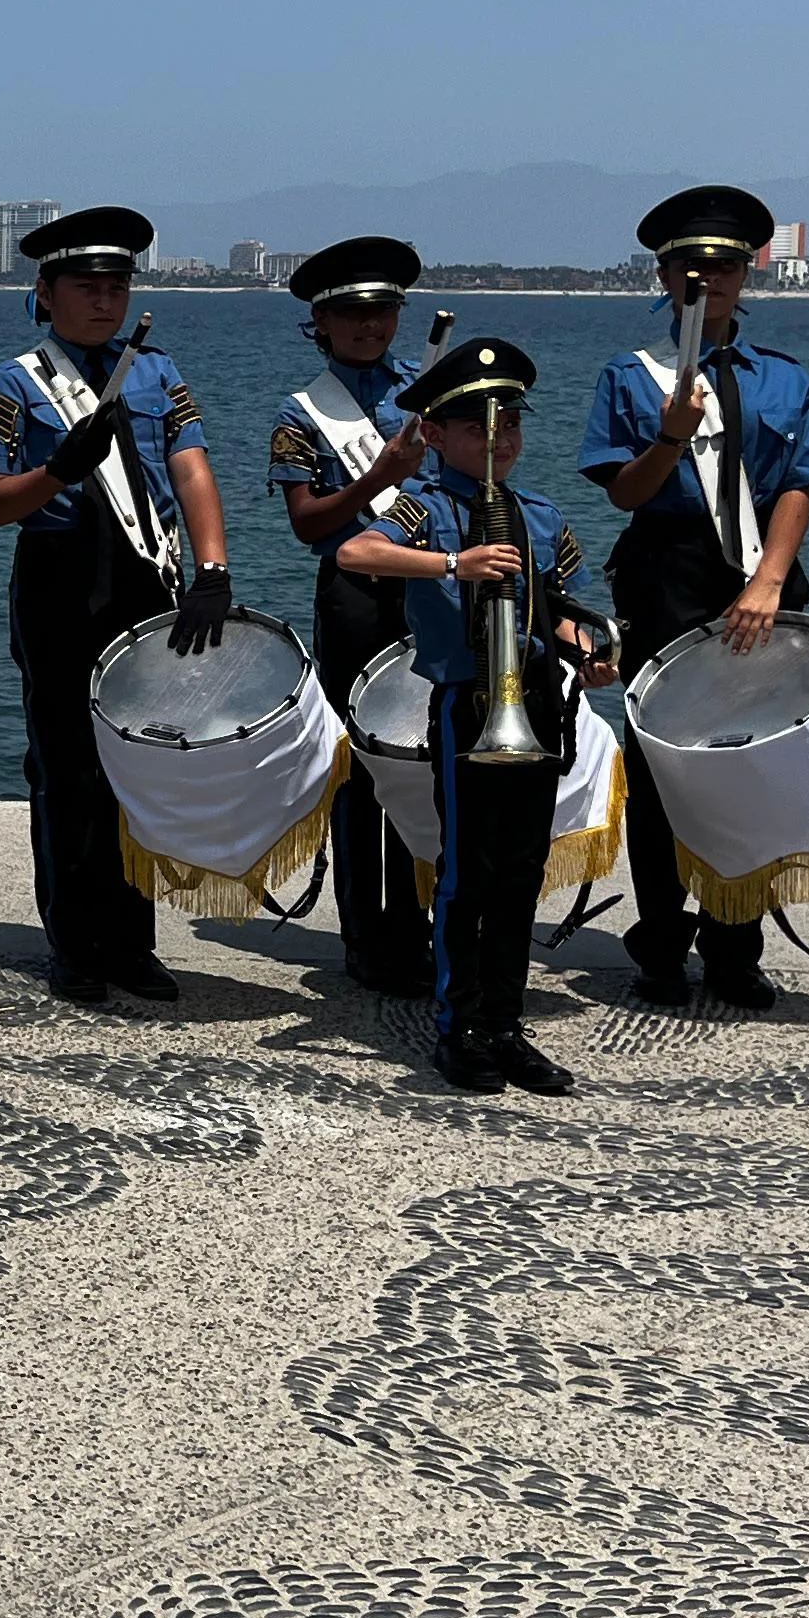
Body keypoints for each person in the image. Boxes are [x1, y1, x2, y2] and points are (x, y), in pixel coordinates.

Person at [578, 182, 809, 1013]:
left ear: (746, 274)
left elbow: (801, 483)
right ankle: (661, 941)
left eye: (725, 265)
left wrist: (768, 581)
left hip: (760, 574)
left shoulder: (784, 380)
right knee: (662, 765)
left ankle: (736, 945)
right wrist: (670, 434)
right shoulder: (631, 377)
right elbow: (624, 493)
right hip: (666, 574)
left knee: (750, 761)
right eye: (691, 266)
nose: (708, 279)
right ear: (665, 276)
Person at [0, 207, 232, 1008]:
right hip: (58, 580)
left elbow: (190, 468)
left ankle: (131, 940)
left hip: (146, 581)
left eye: (116, 286)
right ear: (46, 293)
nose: (104, 300)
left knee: (139, 766)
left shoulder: (157, 372)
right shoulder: (15, 382)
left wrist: (213, 566)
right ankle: (74, 943)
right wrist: (56, 469)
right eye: (86, 286)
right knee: (66, 770)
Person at [340, 337, 617, 1095]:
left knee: (522, 872)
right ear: (434, 434)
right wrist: (452, 563)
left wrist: (590, 651)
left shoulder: (538, 515)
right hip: (469, 705)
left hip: (535, 704)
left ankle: (505, 1023)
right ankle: (458, 1026)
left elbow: (554, 610)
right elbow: (356, 554)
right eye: (478, 428)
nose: (500, 441)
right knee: (469, 873)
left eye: (512, 425)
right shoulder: (425, 507)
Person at [268, 235, 435, 994]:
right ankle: (364, 934)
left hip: (431, 589)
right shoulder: (301, 413)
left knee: (426, 762)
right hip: (355, 598)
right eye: (353, 313)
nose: (370, 325)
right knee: (361, 770)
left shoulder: (430, 393)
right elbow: (307, 522)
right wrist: (380, 475)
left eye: (382, 310)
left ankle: (418, 924)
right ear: (322, 323)